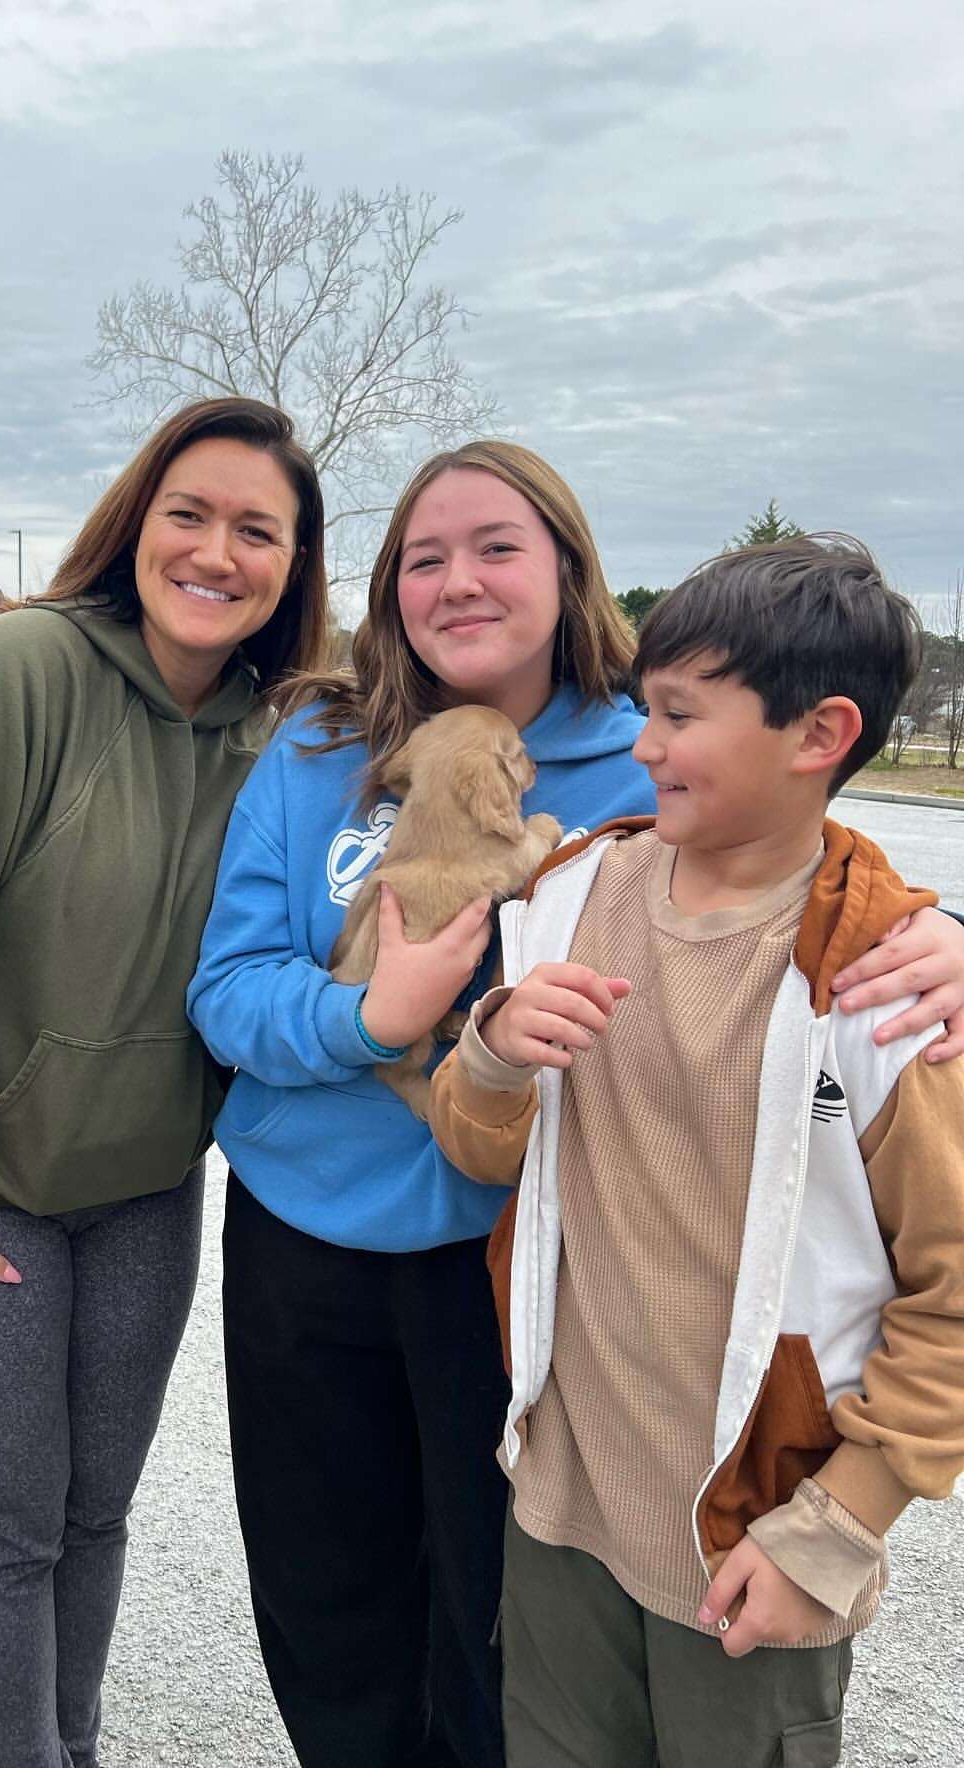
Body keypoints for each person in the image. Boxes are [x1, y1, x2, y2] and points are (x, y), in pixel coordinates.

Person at [185, 445, 964, 1768]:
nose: (458, 580)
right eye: (423, 557)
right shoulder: (320, 750)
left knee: (503, 1636)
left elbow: (810, 871)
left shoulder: (642, 759)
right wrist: (366, 1019)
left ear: (565, 567)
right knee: (328, 1610)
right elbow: (229, 988)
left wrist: (948, 937)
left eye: (496, 545)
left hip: (519, 1266)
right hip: (305, 1248)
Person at [0, 395, 330, 1768]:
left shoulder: (283, 735)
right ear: (137, 521)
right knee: (10, 1524)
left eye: (257, 530)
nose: (217, 552)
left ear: (295, 563)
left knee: (96, 1519)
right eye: (190, 514)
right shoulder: (16, 673)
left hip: (150, 1193)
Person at [427, 536, 964, 1768]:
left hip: (755, 1546)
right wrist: (495, 1049)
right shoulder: (567, 894)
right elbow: (476, 1142)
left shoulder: (886, 987)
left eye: (678, 715)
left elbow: (954, 1295)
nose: (643, 746)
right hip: (557, 1506)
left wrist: (834, 1531)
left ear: (820, 734)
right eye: (643, 709)